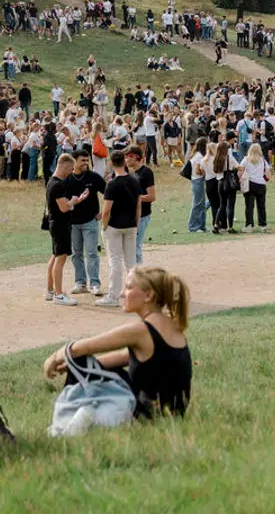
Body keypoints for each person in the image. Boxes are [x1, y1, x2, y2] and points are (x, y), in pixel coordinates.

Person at [42, 266, 192, 421]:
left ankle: (66, 421)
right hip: (172, 413)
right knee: (81, 363)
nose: (123, 293)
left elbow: (82, 347)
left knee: (78, 358)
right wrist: (84, 366)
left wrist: (54, 357)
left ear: (148, 295)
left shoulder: (141, 330)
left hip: (149, 416)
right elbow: (128, 356)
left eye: (128, 288)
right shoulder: (170, 324)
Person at [98, 151, 143, 308]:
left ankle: (113, 295)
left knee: (115, 260)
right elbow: (138, 205)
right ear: (124, 161)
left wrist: (104, 225)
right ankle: (136, 293)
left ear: (111, 163)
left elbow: (106, 210)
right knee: (131, 261)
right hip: (131, 224)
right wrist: (136, 224)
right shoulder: (135, 180)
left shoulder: (112, 183)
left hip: (115, 226)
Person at [45, 155, 86, 305]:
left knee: (54, 257)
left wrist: (77, 200)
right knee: (60, 259)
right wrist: (74, 201)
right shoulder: (58, 185)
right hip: (60, 224)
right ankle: (59, 294)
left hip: (54, 223)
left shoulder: (51, 182)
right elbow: (64, 207)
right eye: (69, 169)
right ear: (63, 166)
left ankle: (50, 290)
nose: (70, 172)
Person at [66, 155, 105, 296]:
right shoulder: (67, 179)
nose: (86, 163)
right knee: (76, 254)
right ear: (74, 162)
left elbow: (108, 193)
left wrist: (103, 213)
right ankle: (80, 283)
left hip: (90, 222)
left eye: (87, 160)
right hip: (73, 223)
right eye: (82, 160)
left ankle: (95, 284)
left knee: (92, 253)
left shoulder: (93, 177)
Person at [242, 142, 271, 230]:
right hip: (261, 184)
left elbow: (240, 171)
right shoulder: (263, 161)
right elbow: (268, 175)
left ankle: (249, 225)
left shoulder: (246, 160)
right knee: (261, 206)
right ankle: (263, 224)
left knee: (249, 206)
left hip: (250, 183)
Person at [185, 138, 208, 234]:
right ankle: (193, 227)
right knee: (197, 204)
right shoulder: (199, 157)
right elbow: (199, 171)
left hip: (198, 181)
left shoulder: (198, 155)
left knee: (201, 204)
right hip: (198, 181)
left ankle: (202, 226)